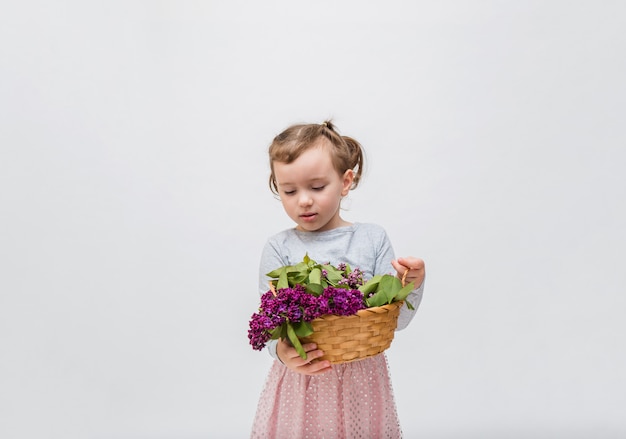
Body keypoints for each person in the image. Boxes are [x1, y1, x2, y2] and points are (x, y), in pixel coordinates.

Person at [250, 120, 426, 439]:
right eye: (289, 191)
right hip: (303, 379)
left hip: (362, 377)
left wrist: (409, 283)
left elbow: (394, 321)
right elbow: (270, 320)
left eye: (317, 187)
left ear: (345, 182)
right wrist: (282, 351)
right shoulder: (279, 247)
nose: (303, 200)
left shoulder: (371, 239)